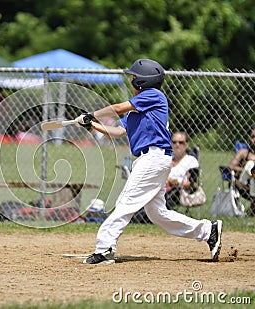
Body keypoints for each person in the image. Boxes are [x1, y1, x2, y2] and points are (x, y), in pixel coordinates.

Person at [75, 59, 222, 264]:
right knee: (157, 214)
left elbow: (117, 108)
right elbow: (117, 132)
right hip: (151, 160)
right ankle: (208, 230)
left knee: (126, 202)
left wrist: (92, 114)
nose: (131, 80)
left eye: (134, 77)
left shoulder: (153, 95)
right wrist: (92, 125)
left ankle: (104, 249)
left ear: (143, 82)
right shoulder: (137, 108)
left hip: (153, 158)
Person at [165, 132, 199, 210]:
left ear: (186, 144)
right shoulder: (167, 159)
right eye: (174, 142)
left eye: (181, 142)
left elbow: (190, 185)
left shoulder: (191, 160)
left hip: (178, 191)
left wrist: (176, 183)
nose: (177, 145)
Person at [228, 124, 255, 201]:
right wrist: (245, 170)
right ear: (249, 138)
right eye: (253, 137)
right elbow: (230, 166)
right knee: (250, 165)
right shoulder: (243, 152)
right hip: (244, 184)